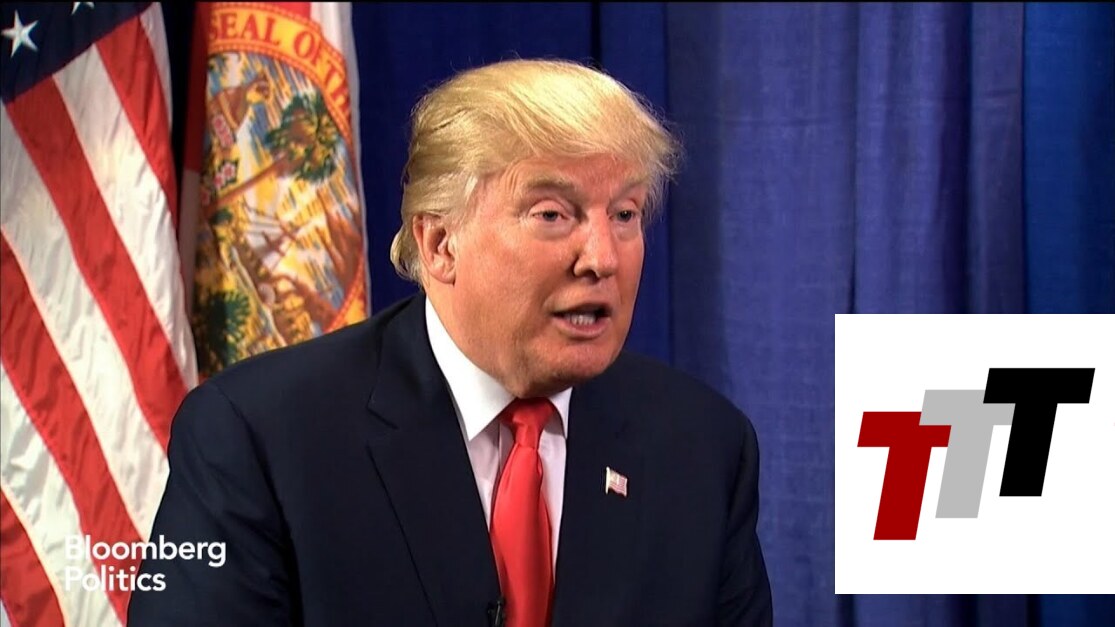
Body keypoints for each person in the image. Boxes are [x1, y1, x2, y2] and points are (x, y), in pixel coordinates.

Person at [128, 58, 772, 626]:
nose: (602, 257)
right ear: (440, 244)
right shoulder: (259, 437)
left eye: (625, 214)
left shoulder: (704, 448)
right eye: (553, 214)